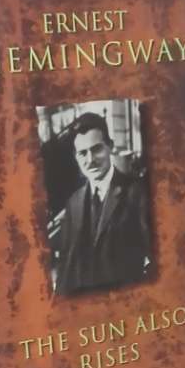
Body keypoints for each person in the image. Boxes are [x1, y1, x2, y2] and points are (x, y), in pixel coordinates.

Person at [55, 112, 152, 296]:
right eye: (83, 153)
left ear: (110, 146)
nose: (90, 160)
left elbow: (159, 260)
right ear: (76, 157)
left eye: (96, 149)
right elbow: (65, 268)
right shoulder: (73, 203)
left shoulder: (137, 194)